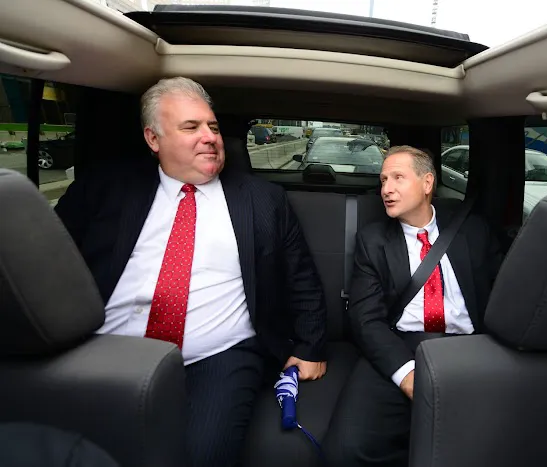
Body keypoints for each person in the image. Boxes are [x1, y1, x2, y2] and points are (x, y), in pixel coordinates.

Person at [54, 77, 327, 467]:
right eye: (191, 127)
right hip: (106, 346)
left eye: (213, 126)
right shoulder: (105, 187)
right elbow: (48, 259)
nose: (209, 137)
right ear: (153, 139)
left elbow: (301, 277)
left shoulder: (263, 199)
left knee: (203, 455)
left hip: (217, 354)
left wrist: (309, 346)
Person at [323, 145, 502, 466]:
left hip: (468, 348)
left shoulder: (474, 232)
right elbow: (365, 319)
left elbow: (504, 297)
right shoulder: (372, 240)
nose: (386, 189)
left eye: (398, 178)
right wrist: (407, 374)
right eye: (383, 180)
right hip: (399, 346)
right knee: (346, 448)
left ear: (427, 182)